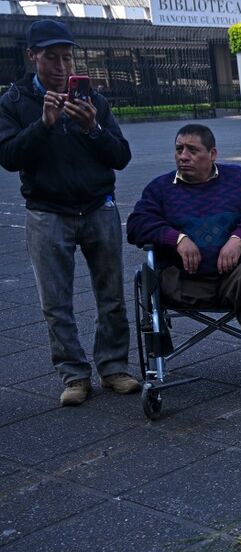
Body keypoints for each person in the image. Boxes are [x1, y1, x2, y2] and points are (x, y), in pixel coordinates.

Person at [0, 20, 139, 406]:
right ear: (32, 57)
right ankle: (74, 375)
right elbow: (9, 158)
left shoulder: (93, 99)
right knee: (55, 302)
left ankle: (113, 368)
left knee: (110, 295)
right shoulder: (14, 102)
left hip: (97, 206)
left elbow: (121, 156)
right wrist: (42, 126)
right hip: (47, 212)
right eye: (51, 57)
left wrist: (94, 128)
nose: (61, 66)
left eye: (67, 57)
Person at [126, 124, 241, 380]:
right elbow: (137, 225)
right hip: (183, 282)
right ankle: (158, 362)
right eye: (179, 149)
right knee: (156, 276)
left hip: (233, 279)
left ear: (212, 154)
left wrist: (238, 238)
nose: (183, 156)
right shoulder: (159, 188)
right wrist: (177, 239)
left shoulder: (239, 179)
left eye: (192, 150)